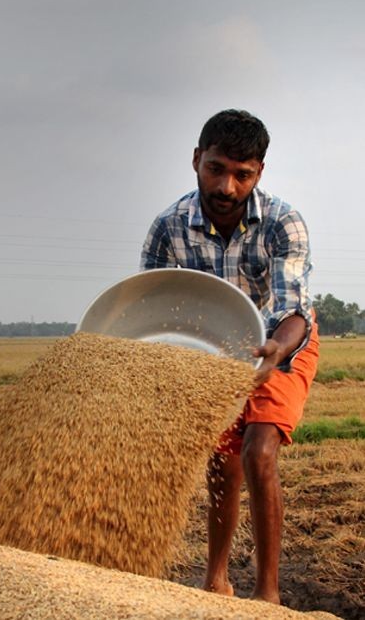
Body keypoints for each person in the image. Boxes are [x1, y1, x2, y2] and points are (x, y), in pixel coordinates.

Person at [140, 109, 319, 604]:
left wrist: (275, 350)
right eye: (215, 169)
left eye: (242, 175)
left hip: (279, 342)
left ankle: (268, 595)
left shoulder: (283, 223)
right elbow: (153, 307)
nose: (226, 187)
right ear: (197, 159)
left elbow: (293, 309)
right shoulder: (169, 228)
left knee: (258, 450)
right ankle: (215, 580)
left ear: (258, 173)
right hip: (213, 349)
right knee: (222, 465)